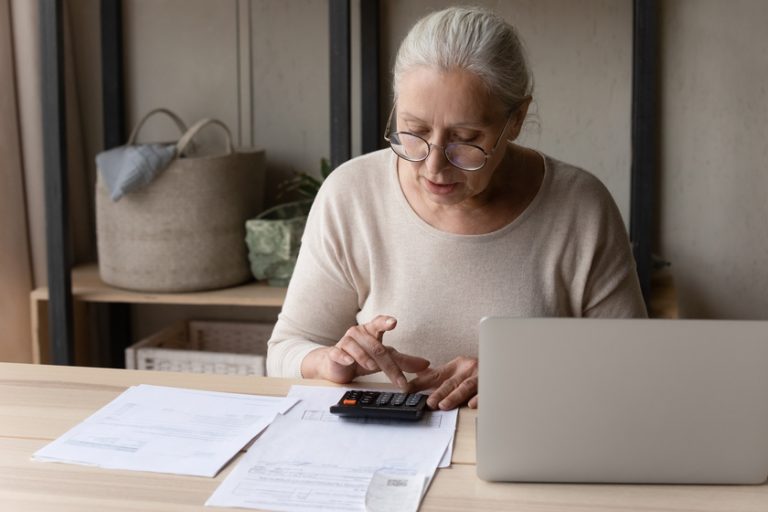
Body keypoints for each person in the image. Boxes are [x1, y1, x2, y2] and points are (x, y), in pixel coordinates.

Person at [266, 6, 647, 410]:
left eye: (465, 139)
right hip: (381, 449)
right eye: (414, 132)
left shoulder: (580, 209)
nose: (433, 166)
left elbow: (637, 368)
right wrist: (327, 361)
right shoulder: (351, 195)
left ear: (515, 120)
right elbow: (284, 351)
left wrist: (524, 371)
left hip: (525, 451)